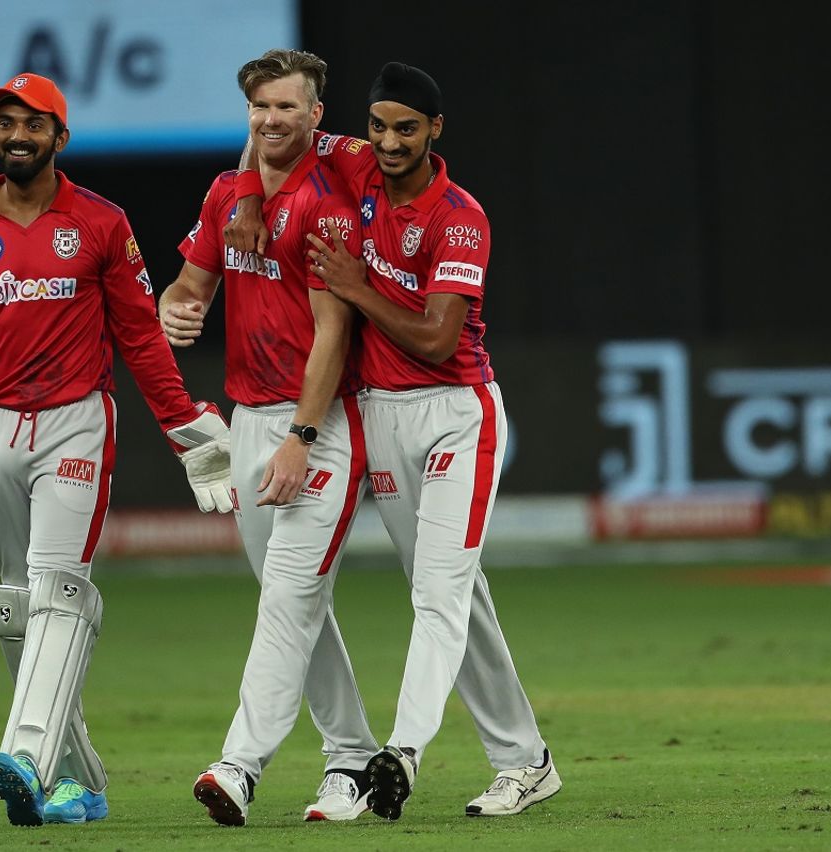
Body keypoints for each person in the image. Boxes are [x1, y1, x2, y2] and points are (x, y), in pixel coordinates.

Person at [0, 72, 233, 828]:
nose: (15, 136)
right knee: (17, 606)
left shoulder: (101, 223)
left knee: (57, 587)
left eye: (31, 124)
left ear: (59, 138)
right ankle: (84, 781)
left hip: (76, 419)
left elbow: (139, 334)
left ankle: (28, 758)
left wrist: (186, 432)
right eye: (4, 123)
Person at [226, 61, 562, 820]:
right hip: (380, 414)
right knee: (457, 595)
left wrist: (353, 286)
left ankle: (400, 752)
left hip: (456, 414)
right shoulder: (354, 161)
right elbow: (272, 136)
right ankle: (526, 761)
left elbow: (439, 339)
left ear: (435, 130)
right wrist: (248, 194)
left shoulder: (460, 216)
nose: (387, 141)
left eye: (405, 128)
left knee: (437, 595)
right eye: (378, 125)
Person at [156, 49, 379, 827]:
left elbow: (333, 332)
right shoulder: (228, 194)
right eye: (261, 108)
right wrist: (175, 312)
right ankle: (352, 763)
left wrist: (302, 435)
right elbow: (188, 286)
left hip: (315, 426)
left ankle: (238, 767)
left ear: (317, 116)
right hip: (246, 424)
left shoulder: (330, 201)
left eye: (288, 107)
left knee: (288, 598)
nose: (273, 120)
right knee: (297, 603)